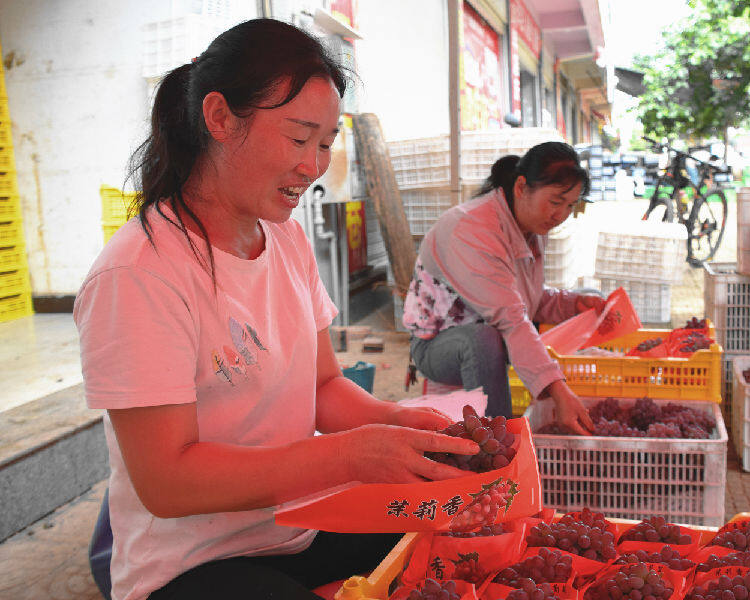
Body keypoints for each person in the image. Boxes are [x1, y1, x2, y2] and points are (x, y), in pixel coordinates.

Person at [74, 19, 479, 600]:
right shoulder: (139, 274)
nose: (313, 167)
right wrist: (348, 456)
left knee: (453, 535)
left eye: (325, 143)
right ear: (219, 118)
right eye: (298, 138)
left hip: (295, 527)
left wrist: (395, 422)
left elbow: (323, 386)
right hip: (193, 564)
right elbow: (168, 482)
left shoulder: (285, 238)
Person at [402, 142, 604, 432]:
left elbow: (526, 298)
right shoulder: (471, 229)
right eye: (556, 202)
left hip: (497, 334)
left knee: (590, 298)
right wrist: (559, 391)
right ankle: (499, 443)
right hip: (438, 347)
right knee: (482, 340)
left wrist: (573, 304)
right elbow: (511, 317)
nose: (561, 215)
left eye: (571, 205)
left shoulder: (531, 227)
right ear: (521, 187)